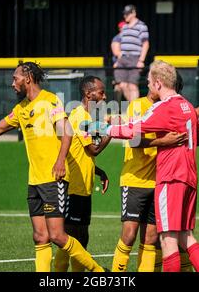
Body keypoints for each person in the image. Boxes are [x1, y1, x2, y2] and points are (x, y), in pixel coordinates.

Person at [0, 61, 105, 272]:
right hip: (35, 181)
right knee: (40, 237)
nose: (13, 83)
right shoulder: (21, 109)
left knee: (58, 236)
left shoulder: (50, 101)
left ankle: (100, 273)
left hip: (53, 180)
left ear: (28, 78)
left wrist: (60, 161)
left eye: (15, 78)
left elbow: (66, 131)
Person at [84, 60, 199, 272]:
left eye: (150, 82)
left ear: (159, 84)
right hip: (190, 178)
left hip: (170, 178)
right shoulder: (187, 106)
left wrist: (102, 127)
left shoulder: (164, 107)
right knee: (186, 237)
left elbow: (131, 130)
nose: (149, 86)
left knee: (167, 240)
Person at [111, 71, 199, 272]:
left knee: (159, 239)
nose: (150, 85)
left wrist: (101, 127)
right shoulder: (139, 106)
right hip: (137, 179)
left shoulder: (170, 106)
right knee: (134, 234)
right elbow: (133, 138)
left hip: (164, 180)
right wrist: (163, 141)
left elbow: (195, 115)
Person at [54, 75, 111, 272]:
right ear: (88, 93)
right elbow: (93, 150)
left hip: (84, 188)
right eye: (101, 92)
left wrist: (98, 171)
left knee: (81, 238)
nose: (105, 96)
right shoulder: (80, 116)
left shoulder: (87, 117)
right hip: (74, 188)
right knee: (70, 238)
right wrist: (111, 131)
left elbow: (80, 153)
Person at [114, 4, 150, 102]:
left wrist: (141, 60)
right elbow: (119, 43)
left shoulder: (141, 26)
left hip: (135, 58)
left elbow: (145, 44)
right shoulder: (124, 27)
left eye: (128, 14)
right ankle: (132, 108)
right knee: (121, 84)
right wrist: (118, 59)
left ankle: (135, 111)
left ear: (134, 13)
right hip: (123, 59)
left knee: (132, 85)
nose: (125, 16)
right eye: (125, 14)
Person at [111, 20, 126, 109]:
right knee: (118, 88)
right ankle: (117, 109)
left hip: (130, 68)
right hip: (120, 68)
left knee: (130, 87)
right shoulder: (117, 38)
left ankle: (132, 110)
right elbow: (117, 53)